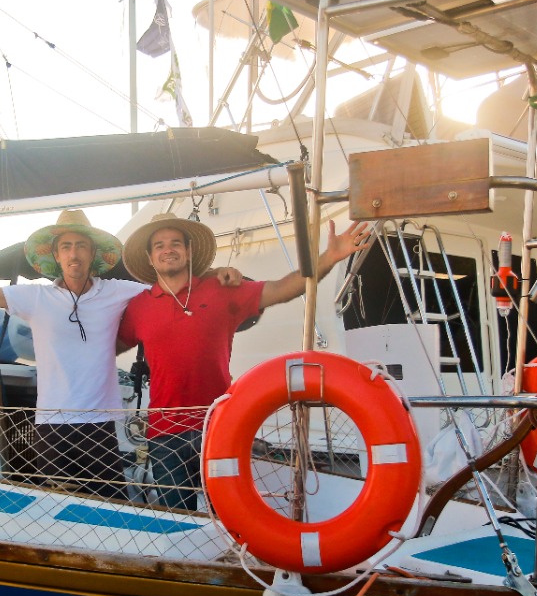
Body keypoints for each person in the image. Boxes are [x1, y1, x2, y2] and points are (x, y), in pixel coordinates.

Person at [0, 209, 242, 500]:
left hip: (100, 426)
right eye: (66, 247)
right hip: (50, 427)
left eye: (81, 246)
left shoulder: (119, 291)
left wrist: (221, 274)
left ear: (94, 254)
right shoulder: (36, 297)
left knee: (110, 508)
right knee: (56, 505)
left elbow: (172, 279)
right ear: (55, 256)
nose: (74, 253)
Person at [116, 213, 371, 510]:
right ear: (149, 257)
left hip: (219, 426)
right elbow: (107, 349)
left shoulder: (222, 289)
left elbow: (282, 288)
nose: (167, 249)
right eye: (159, 245)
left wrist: (330, 256)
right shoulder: (138, 307)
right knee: (178, 521)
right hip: (163, 433)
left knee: (229, 513)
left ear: (188, 251)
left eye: (175, 243)